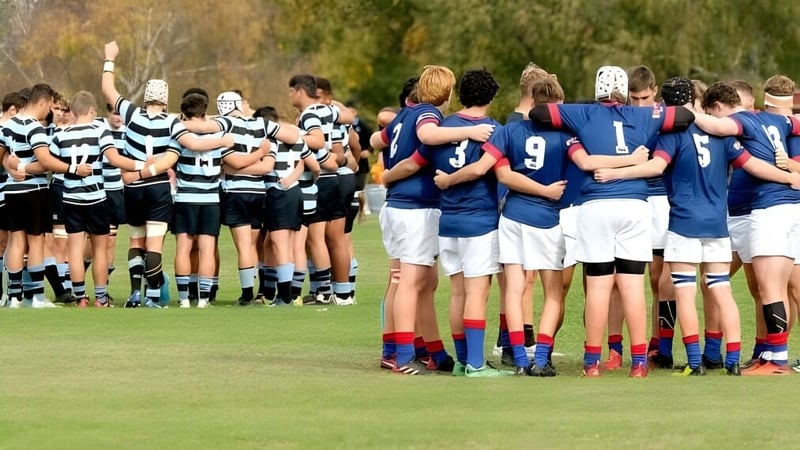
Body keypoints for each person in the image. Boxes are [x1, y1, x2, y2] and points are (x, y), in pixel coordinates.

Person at [595, 78, 800, 376]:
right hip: (717, 224)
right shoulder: (726, 137)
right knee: (722, 291)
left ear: (664, 104)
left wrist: (614, 172)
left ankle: (694, 362)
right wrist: (788, 177)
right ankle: (730, 361)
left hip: (685, 223)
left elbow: (655, 167)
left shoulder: (673, 133)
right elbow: (753, 165)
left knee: (685, 292)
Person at [529, 66, 695, 378]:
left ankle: (592, 363)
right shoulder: (644, 115)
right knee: (633, 286)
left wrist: (572, 115)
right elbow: (685, 117)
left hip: (596, 206)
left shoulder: (585, 114)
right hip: (634, 205)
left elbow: (539, 113)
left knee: (599, 287)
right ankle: (639, 363)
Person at [383, 68, 509, 376]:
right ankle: (474, 364)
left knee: (454, 292)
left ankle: (457, 359)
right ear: (491, 97)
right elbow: (485, 170)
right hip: (477, 220)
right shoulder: (494, 129)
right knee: (475, 293)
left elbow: (413, 162)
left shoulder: (444, 125)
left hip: (447, 221)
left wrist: (386, 177)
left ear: (460, 95)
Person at [101, 40, 232, 308]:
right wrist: (222, 140)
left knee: (135, 240)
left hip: (133, 188)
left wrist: (109, 57)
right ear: (165, 98)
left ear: (146, 97)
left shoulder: (132, 113)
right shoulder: (173, 122)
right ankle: (152, 298)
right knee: (155, 244)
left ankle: (135, 294)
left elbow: (107, 89)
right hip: (158, 187)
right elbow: (181, 152)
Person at [693, 76, 800, 375]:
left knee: (771, 288)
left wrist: (683, 111)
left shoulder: (745, 121)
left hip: (769, 208)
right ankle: (769, 354)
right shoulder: (783, 122)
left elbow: (716, 126)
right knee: (769, 287)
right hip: (776, 209)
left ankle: (775, 358)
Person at [47, 91, 145, 307]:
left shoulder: (60, 135)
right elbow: (115, 159)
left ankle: (81, 298)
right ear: (92, 111)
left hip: (71, 198)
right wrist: (142, 165)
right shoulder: (101, 131)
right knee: (100, 248)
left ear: (73, 111)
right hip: (96, 198)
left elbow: (50, 163)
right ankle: (101, 299)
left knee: (74, 249)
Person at [0, 83, 58, 308]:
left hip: (12, 191)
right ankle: (37, 297)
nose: (49, 112)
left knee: (16, 241)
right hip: (34, 190)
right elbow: (44, 163)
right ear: (42, 102)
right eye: (49, 106)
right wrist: (70, 168)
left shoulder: (8, 126)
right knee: (36, 242)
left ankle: (14, 297)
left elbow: (2, 157)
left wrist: (12, 168)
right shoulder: (35, 128)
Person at [0, 91, 26, 307]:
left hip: (8, 191)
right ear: (12, 111)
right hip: (3, 192)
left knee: (9, 242)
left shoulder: (10, 131)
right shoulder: (5, 129)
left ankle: (10, 293)